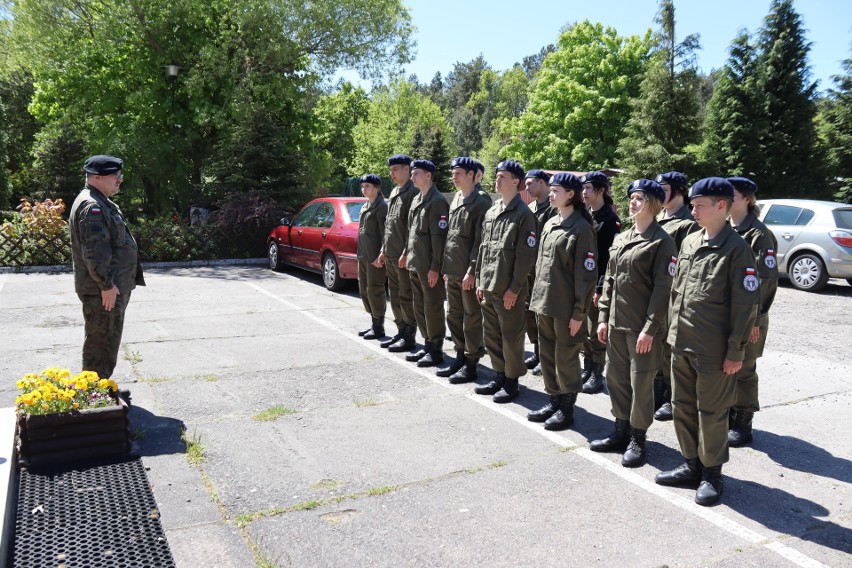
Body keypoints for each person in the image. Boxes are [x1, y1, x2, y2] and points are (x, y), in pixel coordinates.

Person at [655, 177, 759, 507]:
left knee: (712, 412)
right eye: (694, 204)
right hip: (681, 343)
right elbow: (676, 293)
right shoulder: (689, 242)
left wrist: (735, 352)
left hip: (714, 351)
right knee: (683, 407)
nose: (694, 210)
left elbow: (745, 306)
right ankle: (691, 464)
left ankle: (712, 473)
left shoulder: (737, 250)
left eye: (700, 205)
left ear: (722, 207)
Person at [591, 179, 676, 466]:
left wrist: (650, 329)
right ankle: (620, 429)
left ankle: (638, 440)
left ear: (653, 203)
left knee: (641, 384)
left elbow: (663, 290)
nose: (632, 202)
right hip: (616, 324)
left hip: (641, 329)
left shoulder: (662, 242)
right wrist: (603, 318)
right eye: (631, 198)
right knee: (615, 379)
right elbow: (610, 281)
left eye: (639, 198)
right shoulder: (621, 238)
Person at [527, 173, 598, 429]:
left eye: (556, 190)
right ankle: (554, 400)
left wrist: (579, 313)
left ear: (571, 194)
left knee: (566, 358)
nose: (552, 194)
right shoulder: (550, 223)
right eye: (552, 190)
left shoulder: (581, 228)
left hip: (566, 307)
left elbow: (586, 275)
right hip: (544, 302)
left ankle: (566, 409)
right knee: (547, 354)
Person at [68, 155, 145, 385]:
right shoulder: (92, 206)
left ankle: (97, 390)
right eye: (115, 175)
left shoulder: (100, 201)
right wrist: (107, 284)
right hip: (102, 289)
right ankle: (94, 394)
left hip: (108, 287)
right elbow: (95, 252)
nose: (120, 180)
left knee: (105, 339)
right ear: (97, 177)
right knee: (101, 342)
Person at [474, 160, 538, 402]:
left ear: (516, 182)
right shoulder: (491, 211)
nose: (498, 180)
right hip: (489, 285)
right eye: (497, 176)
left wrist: (515, 288)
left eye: (503, 176)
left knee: (511, 337)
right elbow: (484, 249)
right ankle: (499, 374)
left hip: (508, 289)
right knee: (491, 334)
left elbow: (526, 256)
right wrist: (480, 279)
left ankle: (512, 381)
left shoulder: (524, 215)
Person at [727, 176, 779, 447]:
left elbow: (766, 280)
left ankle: (743, 423)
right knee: (726, 366)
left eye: (731, 194)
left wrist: (756, 318)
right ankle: (728, 414)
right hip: (726, 314)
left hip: (750, 317)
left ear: (747, 199)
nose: (725, 198)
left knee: (744, 368)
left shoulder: (759, 234)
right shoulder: (725, 228)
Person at [437, 157, 492, 382]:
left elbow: (480, 242)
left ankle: (471, 363)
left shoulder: (481, 201)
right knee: (454, 314)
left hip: (468, 272)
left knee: (471, 318)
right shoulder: (458, 197)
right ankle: (459, 357)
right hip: (453, 269)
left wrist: (472, 271)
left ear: (472, 174)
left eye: (458, 172)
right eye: (453, 172)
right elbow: (452, 237)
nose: (454, 176)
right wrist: (445, 267)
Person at [653, 171, 698, 421]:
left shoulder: (687, 222)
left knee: (670, 348)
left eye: (665, 187)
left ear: (679, 190)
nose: (660, 191)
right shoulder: (659, 216)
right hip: (654, 290)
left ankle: (671, 397)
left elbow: (683, 264)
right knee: (656, 345)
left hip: (673, 293)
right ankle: (657, 392)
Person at [400, 160, 450, 367]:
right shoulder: (417, 199)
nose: (412, 177)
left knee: (432, 307)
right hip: (415, 262)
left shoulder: (437, 201)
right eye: (412, 173)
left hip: (428, 266)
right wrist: (405, 252)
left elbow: (439, 239)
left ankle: (436, 348)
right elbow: (411, 232)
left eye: (416, 173)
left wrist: (435, 268)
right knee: (419, 306)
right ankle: (427, 344)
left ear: (428, 175)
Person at [580, 171, 621, 394]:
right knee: (585, 329)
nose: (584, 193)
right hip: (582, 281)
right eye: (583, 188)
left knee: (596, 330)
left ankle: (597, 373)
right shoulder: (586, 215)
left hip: (597, 283)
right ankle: (587, 368)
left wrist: (599, 288)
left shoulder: (610, 220)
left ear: (601, 191)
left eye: (588, 188)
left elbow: (607, 258)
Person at [379, 154, 418, 353]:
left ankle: (410, 335)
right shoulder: (395, 191)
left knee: (405, 295)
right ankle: (401, 330)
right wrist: (383, 250)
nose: (392, 173)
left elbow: (412, 228)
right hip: (391, 253)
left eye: (395, 169)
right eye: (391, 170)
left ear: (407, 169)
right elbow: (389, 225)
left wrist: (406, 252)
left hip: (403, 256)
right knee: (393, 295)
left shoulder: (413, 192)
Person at [522, 169, 556, 376]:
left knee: (544, 316)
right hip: (529, 269)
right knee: (529, 313)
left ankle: (547, 357)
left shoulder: (554, 210)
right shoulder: (530, 208)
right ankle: (536, 350)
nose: (526, 188)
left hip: (545, 270)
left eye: (530, 183)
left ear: (543, 183)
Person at [356, 174, 389, 340]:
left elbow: (385, 234)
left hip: (375, 257)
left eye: (367, 186)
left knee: (375, 290)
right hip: (363, 255)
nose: (364, 189)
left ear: (376, 188)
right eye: (363, 187)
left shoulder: (381, 207)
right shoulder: (365, 206)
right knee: (364, 290)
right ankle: (373, 322)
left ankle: (379, 326)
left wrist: (382, 254)